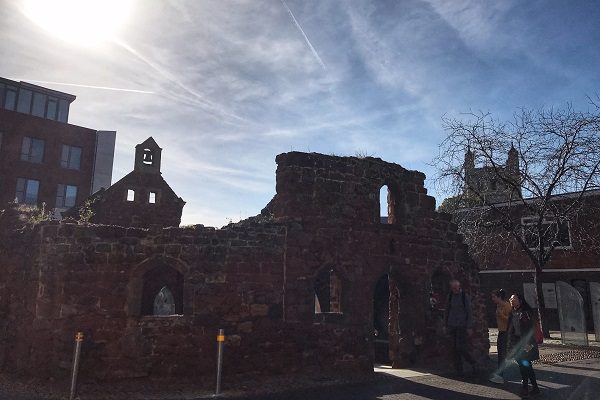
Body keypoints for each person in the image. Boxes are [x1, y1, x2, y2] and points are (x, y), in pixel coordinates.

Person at [507, 293, 540, 398]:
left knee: (526, 365)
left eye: (514, 298)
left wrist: (529, 343)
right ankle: (531, 387)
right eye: (511, 299)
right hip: (517, 342)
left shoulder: (526, 312)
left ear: (520, 300)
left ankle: (529, 387)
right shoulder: (512, 312)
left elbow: (530, 329)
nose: (512, 300)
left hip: (525, 342)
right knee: (522, 365)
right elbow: (511, 329)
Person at [445, 279, 477, 376]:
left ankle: (471, 361)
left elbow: (469, 312)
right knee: (454, 348)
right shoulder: (450, 296)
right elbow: (447, 310)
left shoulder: (464, 297)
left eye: (456, 288)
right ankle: (459, 369)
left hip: (462, 325)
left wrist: (469, 326)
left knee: (460, 347)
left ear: (459, 287)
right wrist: (445, 324)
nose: (454, 290)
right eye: (453, 288)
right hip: (452, 325)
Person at [489, 289, 512, 384]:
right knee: (500, 353)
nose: (492, 299)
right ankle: (499, 373)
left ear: (499, 297)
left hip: (506, 332)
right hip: (501, 331)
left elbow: (510, 320)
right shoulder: (498, 305)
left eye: (494, 297)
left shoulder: (507, 306)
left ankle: (500, 376)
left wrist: (501, 315)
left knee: (502, 354)